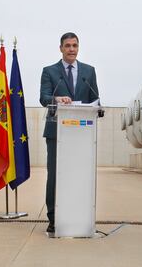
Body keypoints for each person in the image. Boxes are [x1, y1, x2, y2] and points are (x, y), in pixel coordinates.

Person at [40, 32, 100, 233]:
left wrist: (98, 107)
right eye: (67, 45)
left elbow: (95, 99)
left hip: (82, 134)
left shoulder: (89, 72)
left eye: (75, 45)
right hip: (57, 132)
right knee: (55, 176)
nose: (71, 49)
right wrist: (57, 99)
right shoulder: (49, 71)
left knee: (80, 175)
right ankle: (53, 219)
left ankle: (79, 217)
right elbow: (43, 97)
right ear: (61, 48)